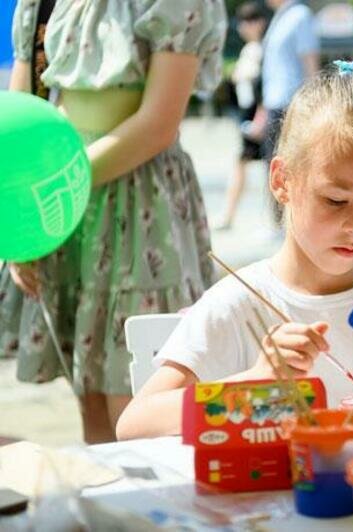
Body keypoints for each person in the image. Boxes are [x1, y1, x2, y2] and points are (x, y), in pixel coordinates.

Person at [116, 64, 353, 440]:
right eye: (335, 200)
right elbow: (135, 422)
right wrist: (253, 383)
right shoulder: (237, 302)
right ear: (282, 181)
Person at [0, 0, 226, 443]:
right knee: (90, 399)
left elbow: (158, 124)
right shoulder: (40, 4)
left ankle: (153, 511)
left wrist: (57, 190)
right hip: (63, 214)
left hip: (139, 213)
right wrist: (21, 231)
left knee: (142, 402)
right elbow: (21, 116)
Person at [260, 0, 320, 226]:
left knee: (291, 166)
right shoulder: (280, 16)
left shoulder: (300, 15)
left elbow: (310, 59)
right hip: (274, 102)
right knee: (274, 164)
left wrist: (315, 103)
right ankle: (279, 222)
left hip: (292, 103)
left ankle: (291, 222)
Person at [213, 2, 269, 230]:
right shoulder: (250, 50)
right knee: (245, 164)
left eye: (249, 21)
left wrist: (260, 118)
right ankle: (229, 215)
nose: (244, 27)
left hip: (259, 115)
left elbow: (264, 87)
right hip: (248, 114)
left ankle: (270, 221)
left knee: (270, 167)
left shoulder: (264, 50)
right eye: (242, 22)